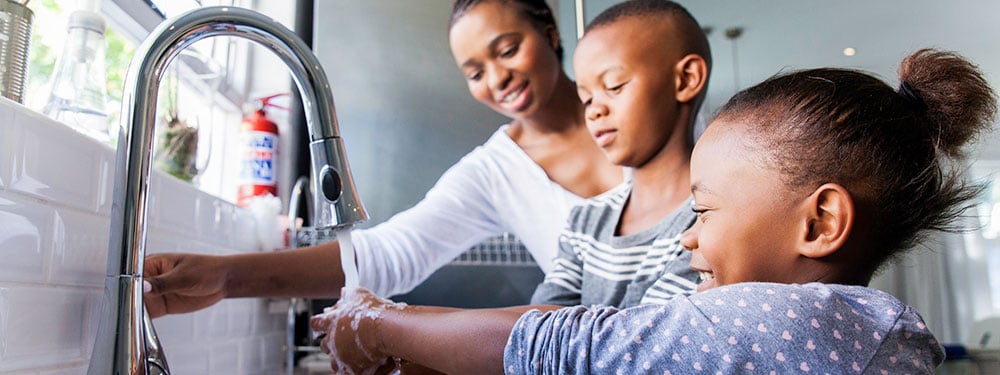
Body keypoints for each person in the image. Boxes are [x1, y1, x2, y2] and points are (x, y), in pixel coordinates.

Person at [309, 41, 997, 374]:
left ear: (818, 223)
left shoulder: (790, 321)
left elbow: (562, 342)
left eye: (706, 212)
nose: (689, 239)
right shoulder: (850, 325)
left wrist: (379, 323)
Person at [142, 0, 624, 316]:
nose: (497, 78)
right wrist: (225, 276)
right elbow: (390, 253)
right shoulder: (495, 171)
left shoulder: (632, 103)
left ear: (550, 33)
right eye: (474, 72)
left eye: (508, 50)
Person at [528, 0, 710, 309]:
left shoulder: (709, 221)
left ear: (686, 79)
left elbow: (640, 341)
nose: (595, 110)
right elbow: (539, 328)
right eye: (586, 99)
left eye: (614, 86)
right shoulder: (585, 221)